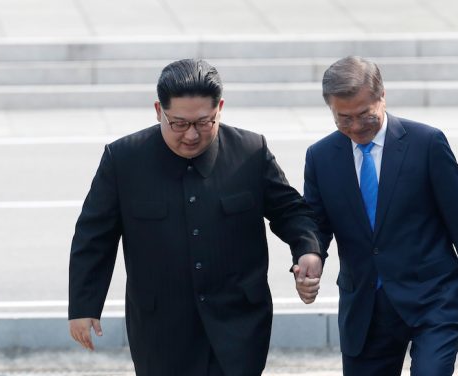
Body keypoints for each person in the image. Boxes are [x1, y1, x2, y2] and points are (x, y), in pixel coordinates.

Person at [68, 58, 323, 376]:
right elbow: (94, 237)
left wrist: (308, 249)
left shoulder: (250, 152)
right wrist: (83, 307)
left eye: (204, 123)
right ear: (158, 111)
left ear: (220, 109)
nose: (191, 135)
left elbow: (291, 211)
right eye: (179, 123)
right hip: (160, 328)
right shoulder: (123, 160)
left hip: (239, 323)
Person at [302, 56, 458, 376]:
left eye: (364, 115)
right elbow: (314, 224)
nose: (355, 127)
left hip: (433, 298)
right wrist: (309, 254)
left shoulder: (426, 144)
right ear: (331, 110)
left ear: (382, 97)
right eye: (344, 118)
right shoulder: (321, 156)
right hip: (365, 306)